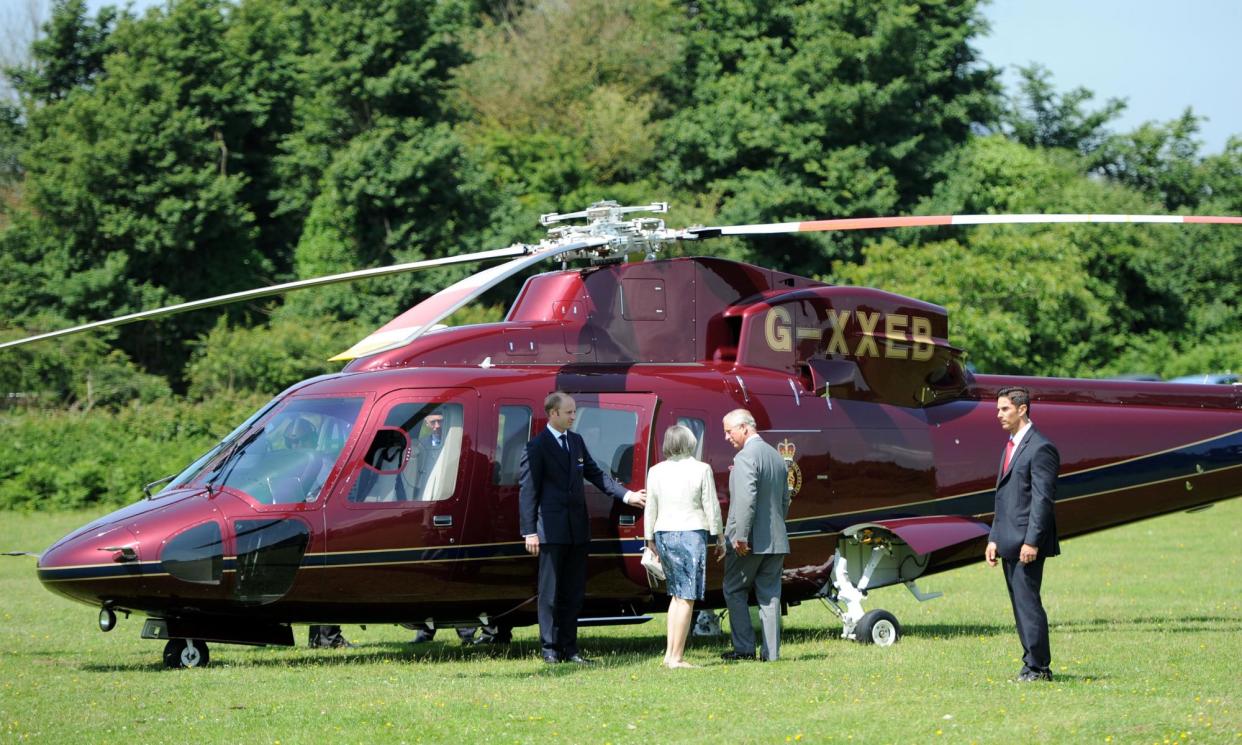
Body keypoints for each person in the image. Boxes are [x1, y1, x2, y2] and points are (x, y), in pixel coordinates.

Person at [519, 391, 646, 664]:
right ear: (553, 413)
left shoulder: (576, 442)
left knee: (574, 594)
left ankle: (570, 649)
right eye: (569, 413)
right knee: (550, 594)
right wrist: (529, 531)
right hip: (550, 533)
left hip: (577, 531)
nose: (574, 417)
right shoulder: (536, 447)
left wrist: (627, 495)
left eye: (574, 412)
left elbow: (596, 474)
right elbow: (527, 491)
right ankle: (550, 650)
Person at [985, 386, 1061, 682]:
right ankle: (1030, 663)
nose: (999, 415)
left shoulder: (1041, 447)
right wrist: (993, 537)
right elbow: (1003, 498)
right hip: (1008, 539)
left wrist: (1032, 541)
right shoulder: (1011, 445)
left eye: (1004, 409)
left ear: (1022, 409)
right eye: (998, 410)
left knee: (1028, 604)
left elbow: (1043, 500)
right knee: (1020, 603)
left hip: (1026, 543)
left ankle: (1039, 668)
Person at [644, 424, 723, 668]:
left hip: (664, 533)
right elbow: (711, 505)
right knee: (686, 596)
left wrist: (649, 539)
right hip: (691, 533)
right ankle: (676, 657)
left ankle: (670, 654)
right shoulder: (701, 469)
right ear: (690, 443)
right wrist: (719, 536)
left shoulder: (656, 471)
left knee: (676, 595)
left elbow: (651, 507)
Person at [720, 408, 790, 662]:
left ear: (745, 428)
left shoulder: (745, 457)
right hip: (777, 539)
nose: (727, 437)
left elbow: (745, 499)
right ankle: (771, 654)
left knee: (733, 589)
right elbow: (785, 500)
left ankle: (744, 648)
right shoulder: (776, 456)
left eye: (729, 431)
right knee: (770, 596)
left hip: (748, 541)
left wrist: (740, 536)